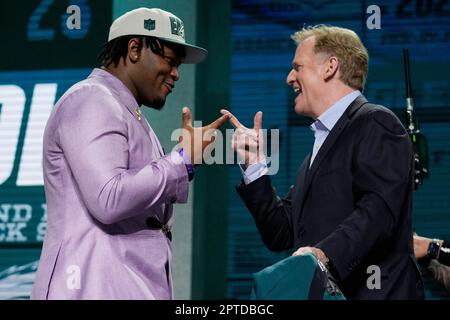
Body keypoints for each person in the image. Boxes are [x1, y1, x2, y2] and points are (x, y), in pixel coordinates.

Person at [31, 8, 228, 299]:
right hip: (89, 288)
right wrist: (182, 161)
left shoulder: (128, 113)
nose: (176, 74)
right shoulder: (90, 99)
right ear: (134, 49)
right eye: (170, 61)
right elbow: (108, 198)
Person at [222, 25, 424, 299]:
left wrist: (323, 254)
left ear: (330, 67)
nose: (289, 78)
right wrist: (255, 167)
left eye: (298, 67)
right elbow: (281, 234)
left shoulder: (376, 122)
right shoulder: (315, 154)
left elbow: (378, 212)